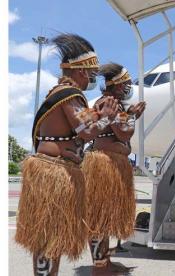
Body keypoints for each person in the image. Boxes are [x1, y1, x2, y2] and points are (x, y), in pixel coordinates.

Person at [15, 33, 119, 276]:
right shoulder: (69, 95)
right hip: (54, 172)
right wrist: (107, 117)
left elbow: (81, 125)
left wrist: (98, 113)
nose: (93, 80)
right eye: (92, 75)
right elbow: (86, 131)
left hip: (56, 170)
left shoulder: (64, 94)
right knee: (49, 236)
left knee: (52, 236)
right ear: (82, 71)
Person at [82, 63, 146, 268]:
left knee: (104, 216)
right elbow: (124, 133)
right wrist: (133, 116)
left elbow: (84, 128)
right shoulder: (112, 103)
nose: (128, 87)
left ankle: (103, 262)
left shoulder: (100, 102)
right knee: (100, 217)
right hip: (106, 164)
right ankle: (100, 265)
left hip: (106, 161)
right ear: (117, 85)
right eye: (126, 83)